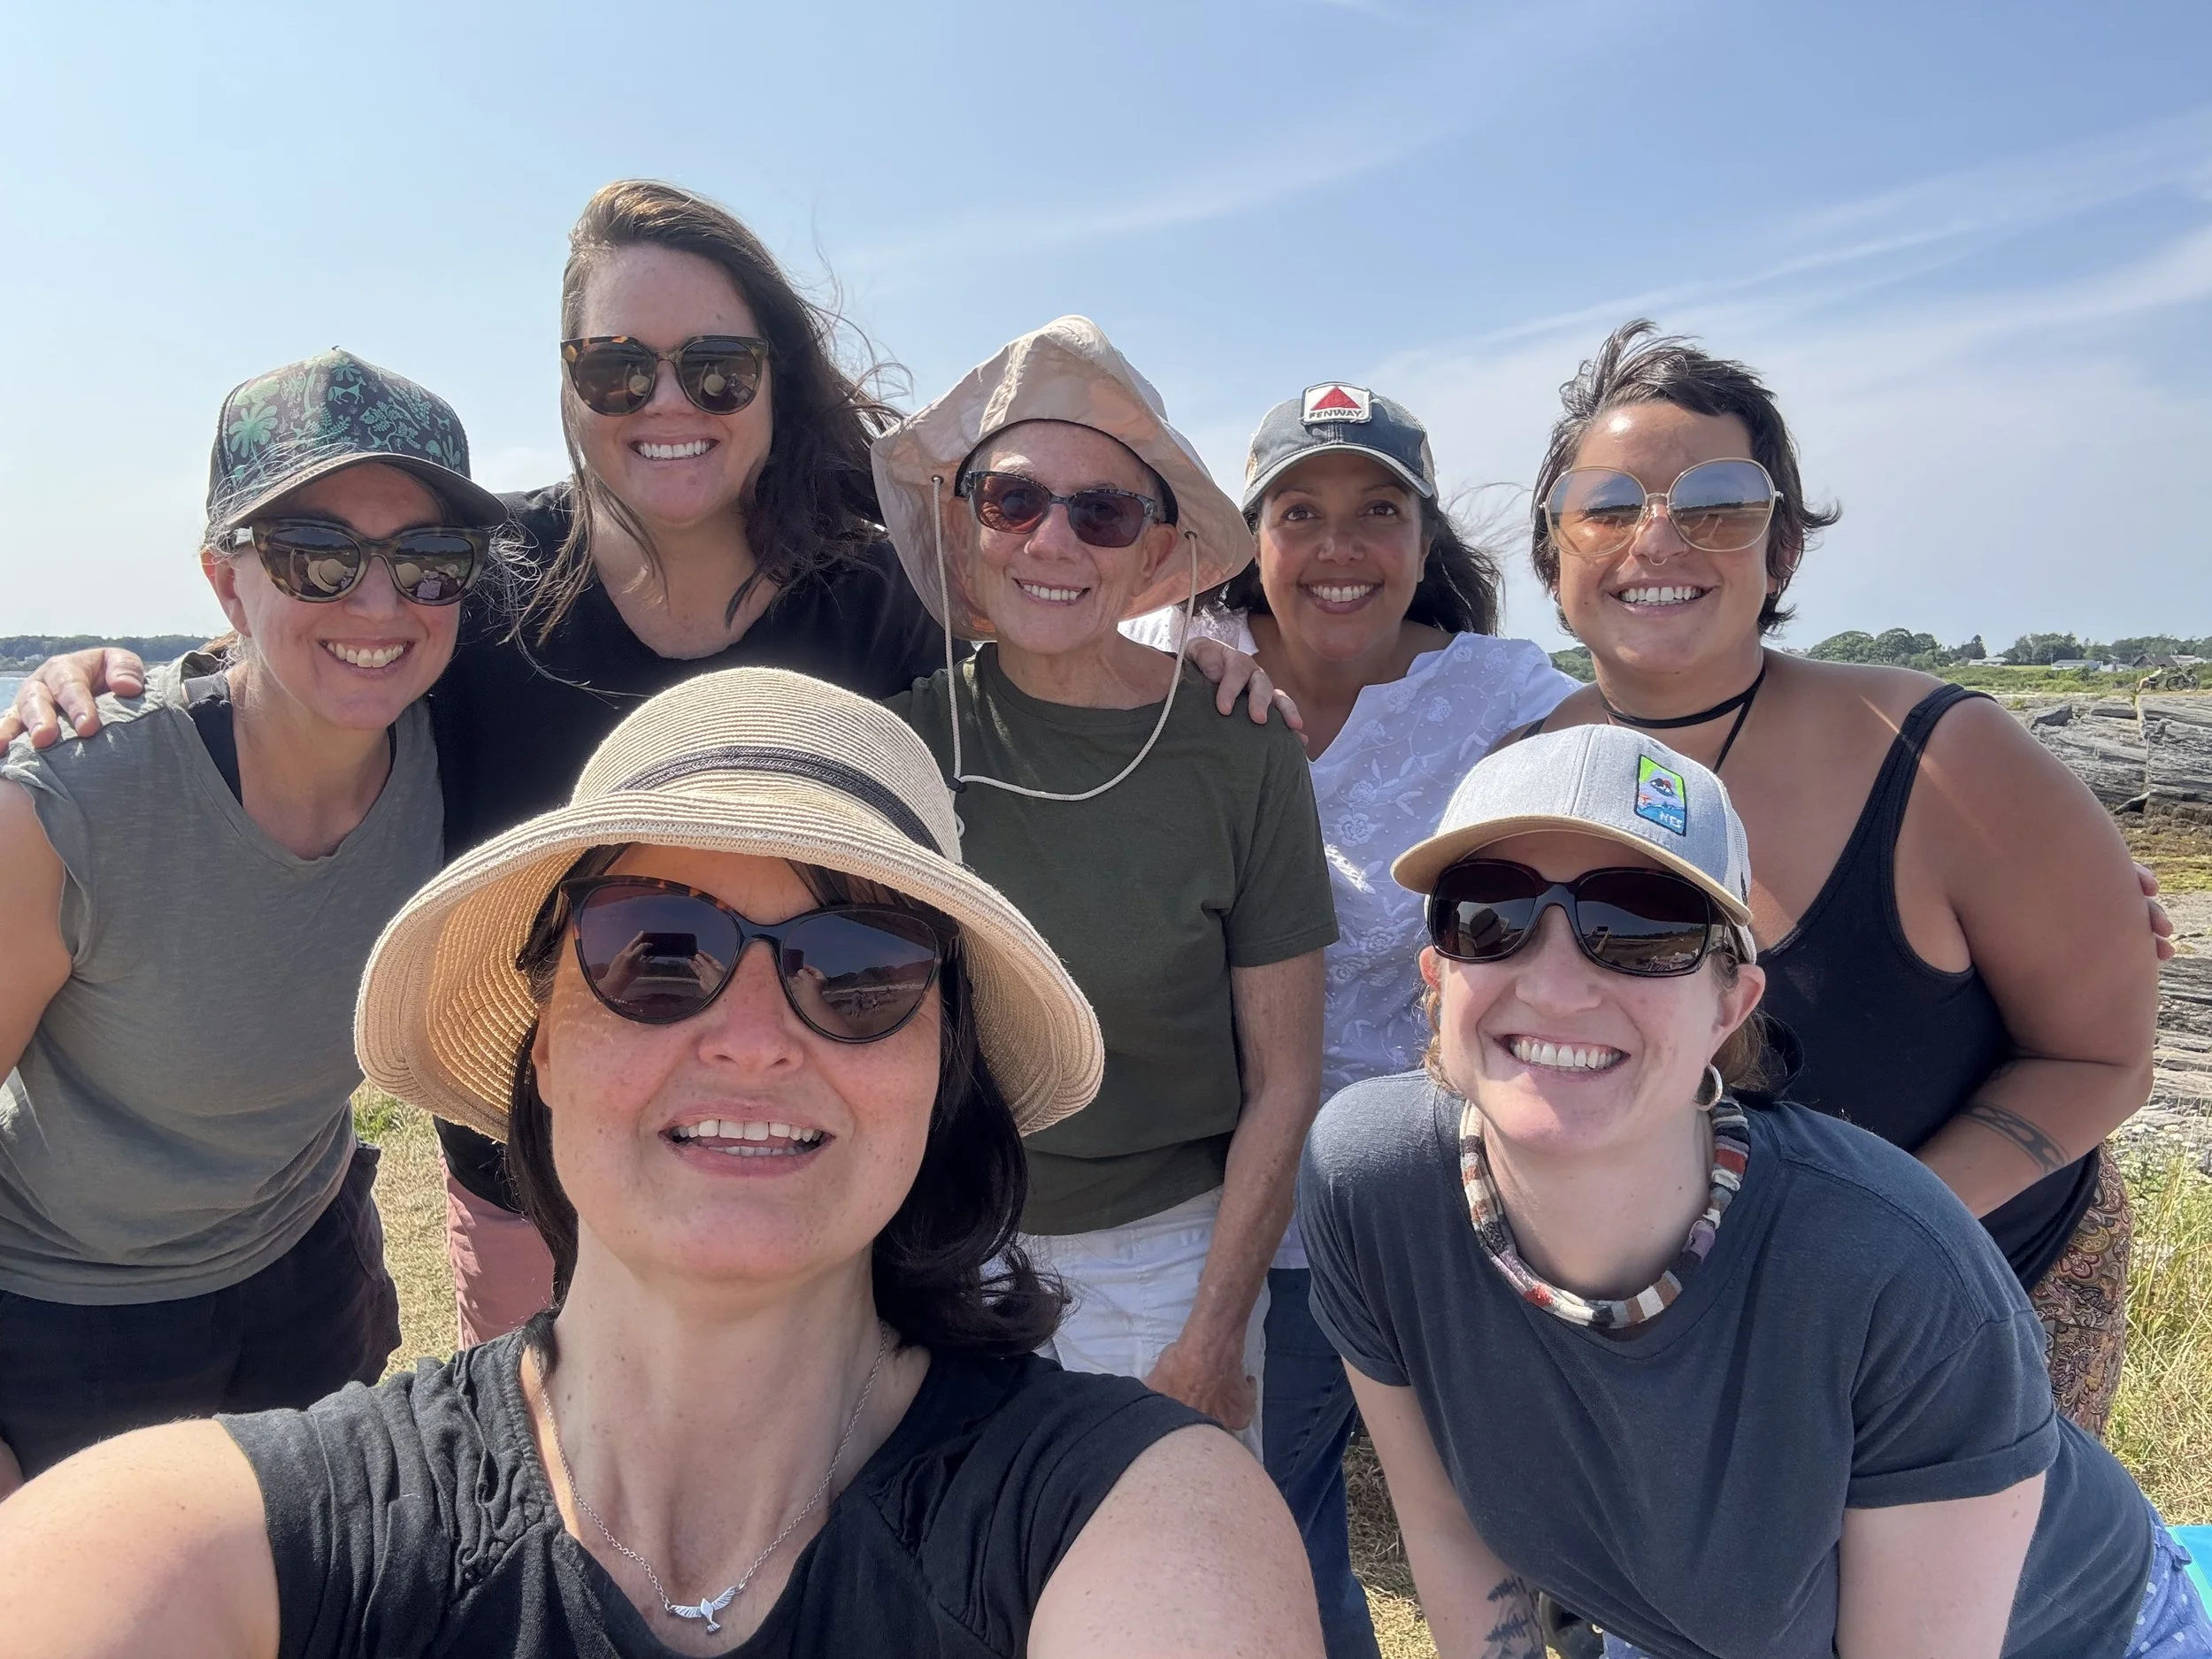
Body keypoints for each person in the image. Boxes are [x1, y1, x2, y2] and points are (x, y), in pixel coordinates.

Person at [0, 181, 1289, 1351]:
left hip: (778, 1159)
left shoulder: (874, 598)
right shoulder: (480, 594)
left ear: (776, 383)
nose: (667, 403)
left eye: (716, 368)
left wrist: (1203, 654)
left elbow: (1040, 653)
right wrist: (121, 682)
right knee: (550, 1521)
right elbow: (320, 657)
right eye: (618, 368)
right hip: (525, 1186)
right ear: (568, 389)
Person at [0, 666, 1325, 1657]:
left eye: (858, 971)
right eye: (655, 953)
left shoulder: (1132, 1514)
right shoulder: (242, 1534)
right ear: (541, 1043)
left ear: (942, 1068)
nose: (751, 1040)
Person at [1301, 723, 2211, 1659]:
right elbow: (1452, 1530)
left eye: (1641, 927)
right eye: (1488, 915)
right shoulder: (1371, 1184)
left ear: (1729, 1007)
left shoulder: (1890, 1267)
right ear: (1437, 977)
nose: (1558, 984)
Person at [1510, 321, 2163, 1434]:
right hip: (1679, 1313)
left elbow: (2100, 1053)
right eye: (1608, 506)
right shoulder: (1527, 771)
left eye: (1716, 504)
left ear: (1783, 551)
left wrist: (1875, 1242)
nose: (1655, 540)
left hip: (1977, 1287)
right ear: (1554, 553)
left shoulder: (1940, 756)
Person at [0, 350, 508, 1493]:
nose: (380, 603)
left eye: (430, 561)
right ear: (227, 585)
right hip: (72, 1320)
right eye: (316, 556)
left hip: (309, 1266)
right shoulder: (75, 800)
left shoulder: (456, 747)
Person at [1130, 382, 1576, 1659]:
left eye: (1378, 510)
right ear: (1248, 536)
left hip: (1420, 1184)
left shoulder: (1499, 692)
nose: (1339, 546)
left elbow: (1673, 789)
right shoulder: (1169, 657)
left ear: (1425, 539)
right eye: (1300, 511)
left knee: (1474, 1511)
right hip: (1207, 1185)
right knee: (1270, 1506)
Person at [872, 317, 1337, 1451]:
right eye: (1013, 501)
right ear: (966, 522)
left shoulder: (1241, 750)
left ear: (1149, 550)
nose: (1053, 541)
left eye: (1103, 511)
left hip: (1164, 1267)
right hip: (935, 1251)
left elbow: (1284, 1078)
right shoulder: (896, 747)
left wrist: (1214, 1334)